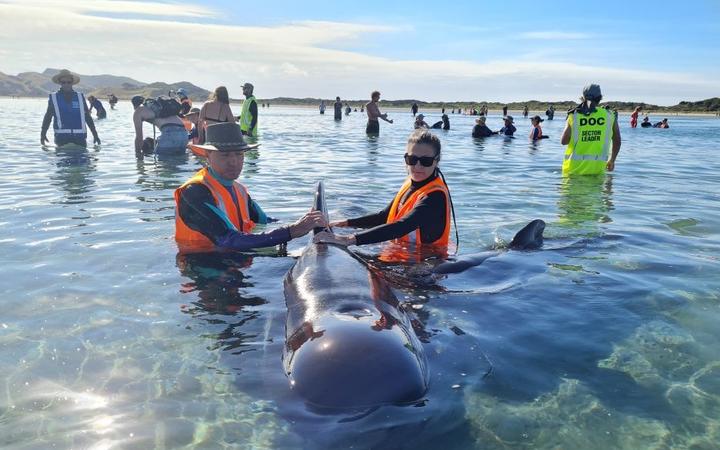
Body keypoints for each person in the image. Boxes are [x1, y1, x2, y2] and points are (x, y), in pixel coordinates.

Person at [175, 122, 326, 253]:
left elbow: (264, 221)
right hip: (202, 268)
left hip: (236, 260)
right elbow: (228, 240)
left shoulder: (239, 190)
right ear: (208, 155)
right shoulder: (194, 192)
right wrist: (292, 231)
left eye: (239, 154)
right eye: (225, 155)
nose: (234, 162)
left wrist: (309, 223)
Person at [314, 129, 451, 253]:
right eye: (412, 159)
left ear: (436, 161)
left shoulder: (435, 196)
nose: (417, 166)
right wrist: (347, 223)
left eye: (425, 161)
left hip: (425, 263)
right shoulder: (411, 184)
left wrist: (348, 239)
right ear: (405, 159)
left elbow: (402, 226)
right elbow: (383, 217)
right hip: (402, 252)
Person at [560, 84, 621, 176]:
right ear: (600, 98)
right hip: (597, 171)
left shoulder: (574, 115)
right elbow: (617, 140)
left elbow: (564, 141)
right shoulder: (610, 115)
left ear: (583, 97)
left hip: (573, 171)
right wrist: (612, 160)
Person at [40, 69, 101, 148]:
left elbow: (87, 117)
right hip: (61, 139)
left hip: (80, 138)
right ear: (60, 83)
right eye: (63, 82)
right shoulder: (54, 98)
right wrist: (43, 134)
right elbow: (48, 117)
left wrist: (95, 135)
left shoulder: (80, 97)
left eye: (69, 82)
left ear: (72, 83)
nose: (66, 84)